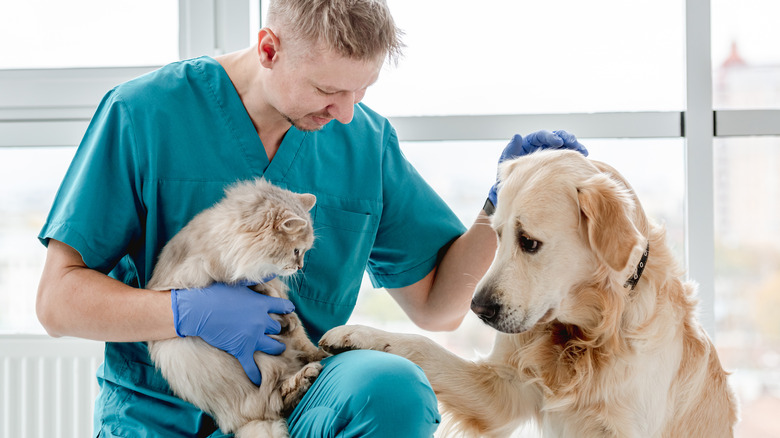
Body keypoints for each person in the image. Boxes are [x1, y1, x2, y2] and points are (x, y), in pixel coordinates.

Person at [35, 0, 585, 436]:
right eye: (328, 89)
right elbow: (57, 303)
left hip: (304, 397)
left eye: (360, 91)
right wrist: (186, 313)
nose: (345, 111)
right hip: (157, 416)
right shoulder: (144, 115)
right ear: (269, 48)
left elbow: (438, 305)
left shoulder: (364, 141)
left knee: (393, 387)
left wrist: (500, 205)